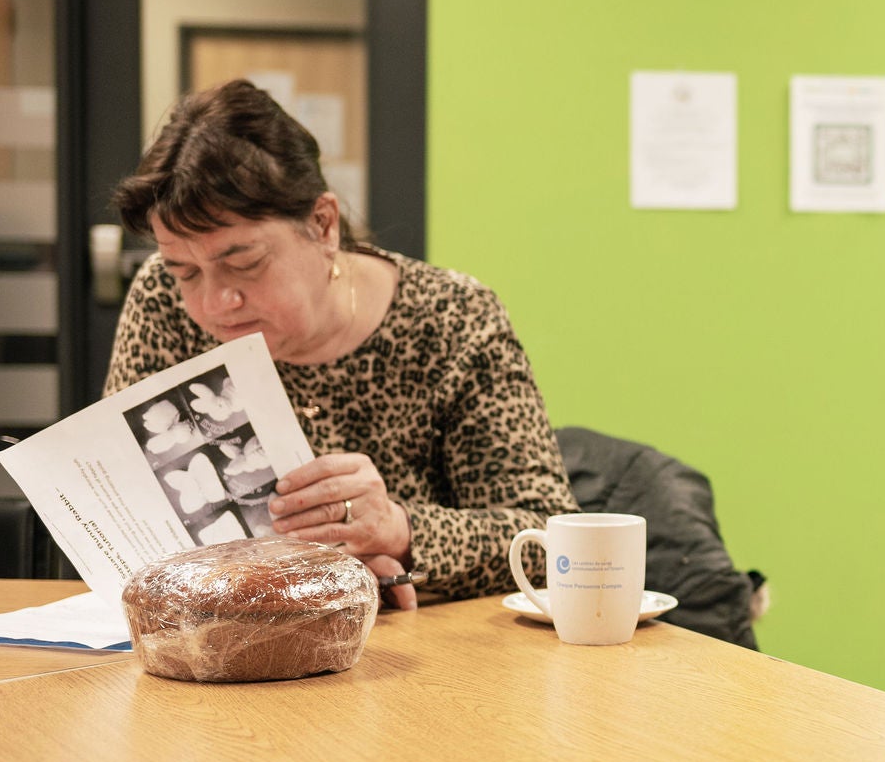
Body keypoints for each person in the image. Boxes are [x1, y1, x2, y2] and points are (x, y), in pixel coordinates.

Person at [104, 79, 577, 608]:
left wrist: (399, 529)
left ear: (323, 225)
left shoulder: (452, 319)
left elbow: (553, 537)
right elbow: (126, 513)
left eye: (244, 264)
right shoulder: (163, 304)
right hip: (223, 652)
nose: (215, 303)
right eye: (186, 271)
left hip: (430, 664)